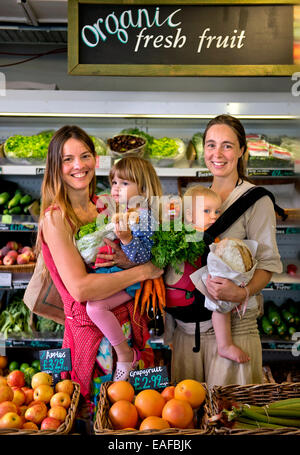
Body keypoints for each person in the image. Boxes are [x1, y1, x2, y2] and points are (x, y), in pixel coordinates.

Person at [36, 125, 163, 401]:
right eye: (67, 159)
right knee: (101, 415)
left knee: (140, 415)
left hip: (128, 327)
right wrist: (144, 271)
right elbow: (81, 289)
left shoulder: (103, 205)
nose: (78, 165)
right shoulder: (55, 218)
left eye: (85, 156)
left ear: (96, 159)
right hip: (95, 343)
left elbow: (131, 251)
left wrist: (129, 261)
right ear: (55, 166)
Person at [166, 114, 282, 386]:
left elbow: (267, 264)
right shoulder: (195, 198)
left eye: (227, 145)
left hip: (235, 332)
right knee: (185, 424)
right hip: (185, 335)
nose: (217, 153)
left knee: (228, 422)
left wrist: (241, 292)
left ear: (242, 150)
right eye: (210, 144)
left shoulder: (256, 200)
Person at [83, 156, 163, 381]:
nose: (116, 188)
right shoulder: (127, 211)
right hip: (119, 274)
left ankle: (125, 354)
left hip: (131, 281)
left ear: (144, 189)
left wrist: (126, 239)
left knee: (94, 308)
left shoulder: (145, 217)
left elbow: (143, 257)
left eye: (124, 183)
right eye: (114, 182)